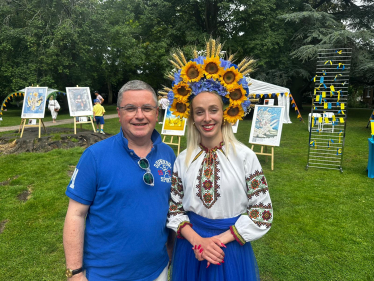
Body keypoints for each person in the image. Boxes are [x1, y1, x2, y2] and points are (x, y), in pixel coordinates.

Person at [164, 39, 273, 281]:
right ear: (191, 117)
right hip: (191, 249)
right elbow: (174, 209)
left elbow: (262, 213)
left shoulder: (245, 157)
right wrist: (197, 240)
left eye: (213, 109)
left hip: (229, 249)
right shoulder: (182, 159)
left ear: (224, 113)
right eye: (199, 112)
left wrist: (217, 241)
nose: (207, 118)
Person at [63, 80, 176, 281]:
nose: (139, 115)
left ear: (156, 114)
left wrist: (170, 252)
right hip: (105, 274)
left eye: (147, 108)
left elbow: (172, 208)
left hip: (156, 270)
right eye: (130, 108)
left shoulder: (168, 154)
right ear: (119, 113)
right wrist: (75, 272)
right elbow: (76, 215)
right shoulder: (95, 156)